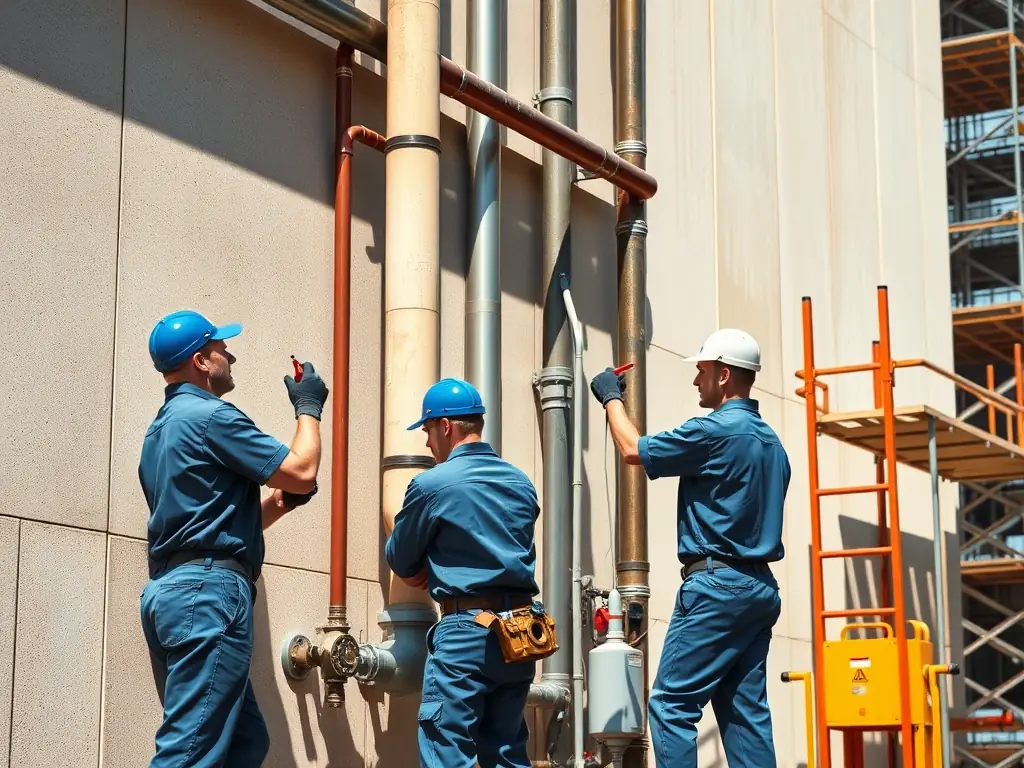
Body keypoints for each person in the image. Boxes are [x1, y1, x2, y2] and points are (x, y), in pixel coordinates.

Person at [589, 328, 790, 768]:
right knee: (744, 714)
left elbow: (631, 449)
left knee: (671, 705)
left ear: (722, 375)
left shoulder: (715, 431)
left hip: (717, 587)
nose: (695, 382)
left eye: (701, 372)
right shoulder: (774, 445)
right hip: (759, 590)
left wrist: (610, 397)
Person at [137, 309, 330, 767]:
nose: (231, 355)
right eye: (222, 348)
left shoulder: (160, 431)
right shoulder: (210, 417)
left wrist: (281, 503)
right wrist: (308, 409)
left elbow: (210, 523)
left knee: (245, 744)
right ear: (202, 362)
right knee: (189, 752)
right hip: (207, 596)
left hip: (173, 593)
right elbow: (302, 470)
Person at [384, 378, 543, 768]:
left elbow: (402, 560)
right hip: (521, 631)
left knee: (446, 750)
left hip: (466, 630)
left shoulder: (432, 484)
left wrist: (429, 564)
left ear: (446, 426)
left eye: (427, 430)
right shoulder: (521, 483)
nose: (426, 443)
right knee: (506, 753)